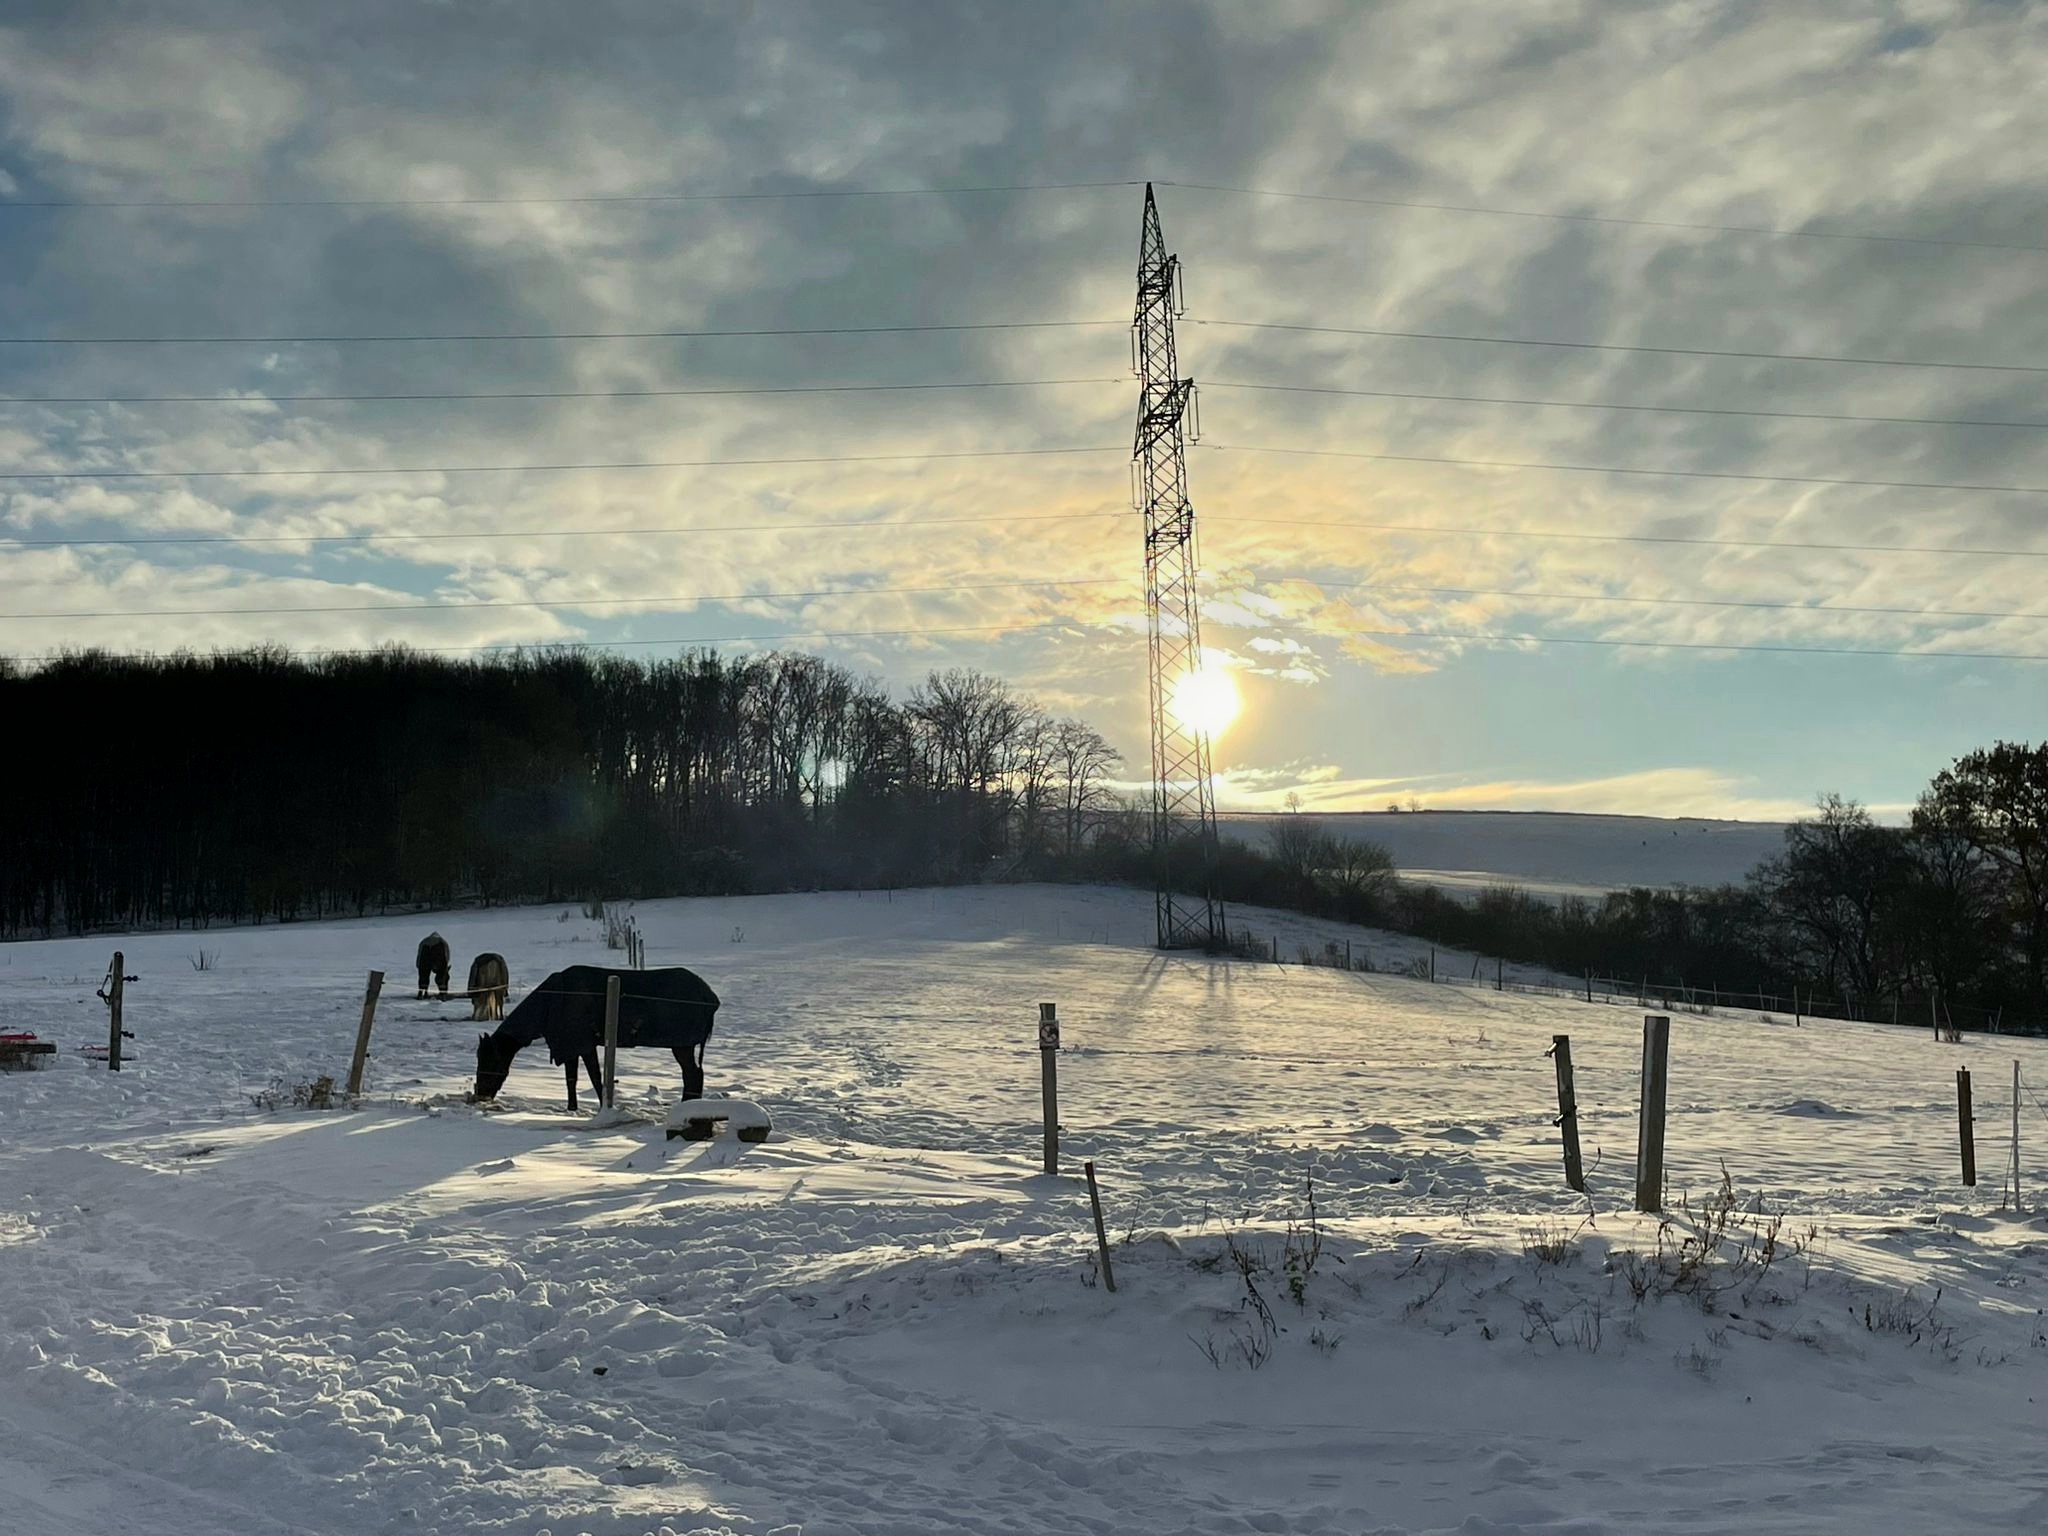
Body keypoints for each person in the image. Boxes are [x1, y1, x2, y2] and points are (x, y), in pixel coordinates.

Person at [416, 932, 451, 999]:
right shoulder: (442, 941)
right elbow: (446, 955)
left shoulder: (424, 941)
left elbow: (419, 953)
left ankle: (422, 992)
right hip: (439, 953)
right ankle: (442, 992)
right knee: (442, 975)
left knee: (424, 975)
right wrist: (445, 965)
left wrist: (418, 964)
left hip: (425, 953)